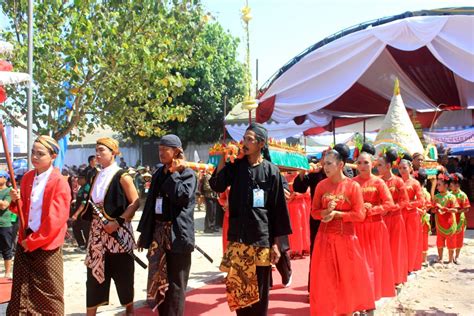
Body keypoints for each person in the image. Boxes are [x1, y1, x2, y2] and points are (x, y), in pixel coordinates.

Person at [210, 123, 292, 315]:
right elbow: (217, 185)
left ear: (261, 144)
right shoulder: (236, 167)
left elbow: (278, 210)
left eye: (249, 139)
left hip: (261, 240)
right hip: (238, 239)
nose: (244, 143)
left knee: (260, 295)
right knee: (240, 293)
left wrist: (276, 245)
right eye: (244, 138)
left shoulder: (272, 172)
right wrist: (224, 158)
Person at [7, 136, 71, 315]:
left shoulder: (59, 182)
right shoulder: (27, 177)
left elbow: (56, 219)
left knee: (49, 292)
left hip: (46, 244)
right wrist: (15, 201)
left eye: (40, 154)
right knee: (21, 289)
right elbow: (23, 210)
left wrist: (34, 241)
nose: (34, 156)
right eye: (33, 152)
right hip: (25, 239)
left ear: (52, 156)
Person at [310, 143, 374, 315]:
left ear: (340, 165)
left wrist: (337, 214)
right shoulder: (321, 186)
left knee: (346, 278)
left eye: (329, 163)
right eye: (324, 163)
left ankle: (347, 310)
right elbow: (314, 212)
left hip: (346, 239)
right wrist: (325, 211)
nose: (325, 167)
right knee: (326, 278)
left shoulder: (353, 187)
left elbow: (359, 215)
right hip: (324, 239)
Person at [137, 134, 196, 316]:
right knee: (158, 280)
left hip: (177, 236)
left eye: (165, 150)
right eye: (159, 149)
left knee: (176, 285)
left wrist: (174, 174)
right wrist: (145, 234)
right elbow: (149, 207)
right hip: (158, 235)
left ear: (177, 152)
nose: (161, 153)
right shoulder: (157, 174)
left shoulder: (188, 173)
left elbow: (181, 197)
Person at [80, 137, 140, 316]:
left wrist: (118, 222)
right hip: (97, 234)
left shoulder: (123, 176)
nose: (97, 154)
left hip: (118, 233)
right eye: (96, 150)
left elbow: (135, 202)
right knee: (93, 274)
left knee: (123, 275)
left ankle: (129, 310)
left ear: (113, 152)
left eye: (101, 150)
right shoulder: (96, 174)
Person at [353, 144, 396, 301]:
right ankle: (358, 297)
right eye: (359, 163)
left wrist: (372, 209)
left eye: (366, 162)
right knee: (358, 264)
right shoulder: (351, 183)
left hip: (375, 227)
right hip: (356, 228)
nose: (362, 166)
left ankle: (370, 298)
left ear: (373, 164)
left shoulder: (378, 182)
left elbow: (389, 204)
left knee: (372, 263)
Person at [378, 148, 409, 286]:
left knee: (395, 248)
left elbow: (404, 201)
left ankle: (396, 278)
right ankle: (382, 278)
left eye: (380, 165)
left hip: (395, 219)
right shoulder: (377, 182)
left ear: (388, 166)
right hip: (381, 219)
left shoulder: (398, 182)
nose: (377, 168)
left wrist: (390, 208)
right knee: (381, 249)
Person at [399, 156, 425, 272]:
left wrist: (408, 204)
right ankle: (401, 266)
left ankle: (409, 266)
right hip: (399, 215)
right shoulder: (397, 181)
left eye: (404, 167)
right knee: (400, 242)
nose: (402, 170)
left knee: (411, 241)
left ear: (410, 168)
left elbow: (421, 200)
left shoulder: (415, 183)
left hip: (411, 215)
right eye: (399, 168)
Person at [432, 173, 458, 265]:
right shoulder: (436, 197)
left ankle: (450, 260)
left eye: (439, 185)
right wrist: (435, 209)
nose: (437, 187)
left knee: (451, 241)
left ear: (446, 185)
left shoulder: (452, 197)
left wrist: (445, 209)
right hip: (440, 223)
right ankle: (440, 258)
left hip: (450, 223)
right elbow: (433, 210)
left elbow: (455, 210)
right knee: (439, 241)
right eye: (437, 185)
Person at [449, 173, 470, 264]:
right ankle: (451, 256)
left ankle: (457, 257)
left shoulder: (462, 195)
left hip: (459, 220)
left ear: (457, 185)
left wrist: (457, 211)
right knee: (451, 237)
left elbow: (467, 208)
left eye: (451, 184)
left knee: (459, 238)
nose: (450, 185)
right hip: (451, 220)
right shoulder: (449, 194)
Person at [414, 168, 432, 267]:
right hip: (422, 217)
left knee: (418, 238)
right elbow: (428, 205)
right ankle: (423, 260)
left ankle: (418, 259)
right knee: (423, 238)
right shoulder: (426, 193)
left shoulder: (418, 192)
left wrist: (418, 210)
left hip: (417, 217)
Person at [71, 168, 92, 250]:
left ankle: (88, 246)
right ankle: (81, 245)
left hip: (84, 213)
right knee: (75, 227)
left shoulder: (87, 188)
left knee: (86, 230)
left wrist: (76, 215)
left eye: (79, 178)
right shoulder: (82, 187)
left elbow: (84, 203)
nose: (77, 180)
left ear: (84, 179)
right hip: (79, 212)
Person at [0, 170, 12, 278]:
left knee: (6, 250)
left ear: (5, 178)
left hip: (4, 224)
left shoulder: (9, 191)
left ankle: (7, 273)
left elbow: (4, 205)